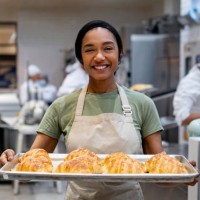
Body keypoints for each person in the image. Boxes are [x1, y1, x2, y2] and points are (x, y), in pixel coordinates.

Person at [0, 20, 198, 199]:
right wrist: (11, 158)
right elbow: (30, 168)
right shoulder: (62, 106)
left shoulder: (142, 104)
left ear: (119, 53)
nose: (99, 57)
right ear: (81, 58)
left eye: (108, 48)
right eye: (89, 50)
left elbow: (159, 171)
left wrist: (183, 175)